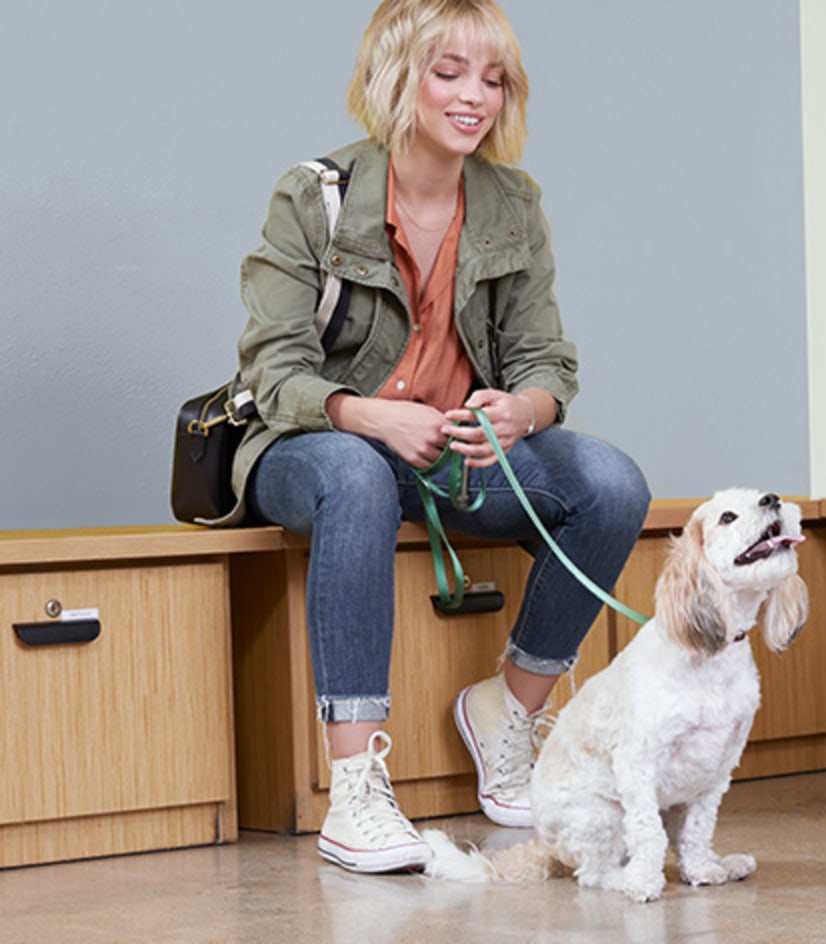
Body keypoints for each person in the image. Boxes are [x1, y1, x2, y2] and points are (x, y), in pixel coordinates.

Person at [225, 0, 650, 873]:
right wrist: (368, 412)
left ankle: (510, 709)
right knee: (355, 475)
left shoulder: (512, 202)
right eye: (448, 71)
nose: (475, 97)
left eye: (493, 79)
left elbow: (545, 358)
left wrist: (519, 412)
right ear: (397, 75)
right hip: (313, 447)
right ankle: (355, 790)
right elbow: (273, 370)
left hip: (450, 457)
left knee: (611, 482)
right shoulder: (315, 195)